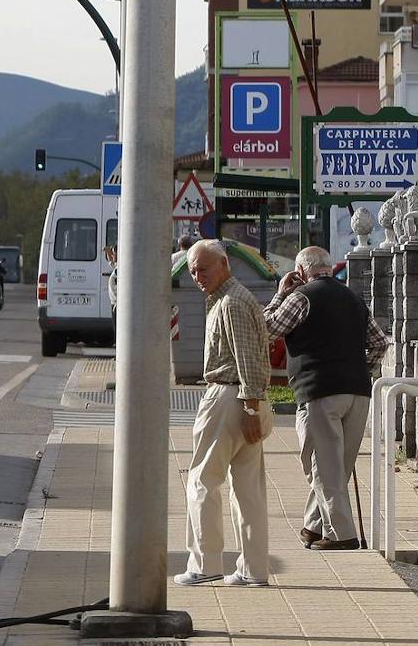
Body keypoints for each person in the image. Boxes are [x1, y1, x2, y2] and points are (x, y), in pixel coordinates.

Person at [264, 246, 388, 551]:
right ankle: (313, 524)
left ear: (302, 271)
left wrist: (280, 293)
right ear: (329, 268)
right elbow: (380, 343)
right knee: (337, 467)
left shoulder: (301, 296)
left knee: (321, 464)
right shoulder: (353, 298)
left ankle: (342, 534)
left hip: (319, 389)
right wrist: (362, 369)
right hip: (358, 392)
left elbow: (267, 328)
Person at [175, 240, 275, 587]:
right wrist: (253, 404)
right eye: (192, 272)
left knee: (202, 480)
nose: (197, 277)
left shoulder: (230, 303)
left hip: (229, 396)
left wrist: (250, 405)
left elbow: (247, 359)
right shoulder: (235, 298)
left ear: (224, 263)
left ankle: (205, 564)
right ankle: (253, 569)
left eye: (203, 269)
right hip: (245, 399)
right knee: (248, 488)